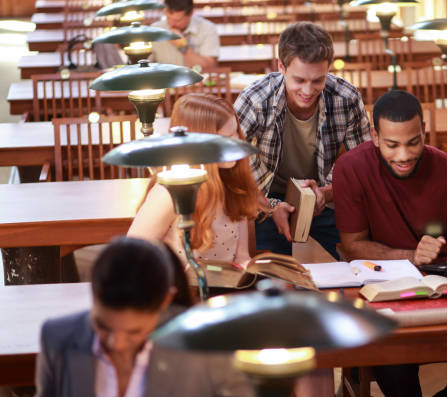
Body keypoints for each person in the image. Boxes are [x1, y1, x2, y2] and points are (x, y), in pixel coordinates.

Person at [333, 90, 447, 397]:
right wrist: (411, 256)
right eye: (392, 144)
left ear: (423, 130)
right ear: (374, 136)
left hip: (446, 290)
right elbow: (353, 246)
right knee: (395, 366)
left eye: (413, 142)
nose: (404, 155)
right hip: (384, 293)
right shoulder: (350, 168)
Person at [34, 237, 256, 397]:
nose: (117, 343)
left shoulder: (205, 346)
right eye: (103, 327)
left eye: (134, 332)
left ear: (165, 302)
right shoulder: (57, 338)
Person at [234, 22, 371, 260]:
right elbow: (232, 166)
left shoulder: (346, 98)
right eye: (299, 80)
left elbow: (362, 163)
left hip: (326, 203)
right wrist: (271, 206)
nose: (308, 90)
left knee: (352, 264)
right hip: (265, 203)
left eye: (318, 80)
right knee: (270, 274)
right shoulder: (254, 99)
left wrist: (326, 193)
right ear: (281, 67)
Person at [128, 94, 262, 285]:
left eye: (236, 133)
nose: (238, 142)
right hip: (181, 294)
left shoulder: (233, 185)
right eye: (226, 138)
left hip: (223, 293)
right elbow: (131, 256)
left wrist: (251, 272)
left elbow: (241, 257)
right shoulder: (170, 191)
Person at [151, 0, 219, 69]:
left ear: (191, 14)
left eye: (177, 20)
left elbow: (210, 67)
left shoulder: (208, 29)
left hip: (195, 79)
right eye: (168, 18)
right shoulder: (155, 30)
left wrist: (183, 46)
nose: (171, 24)